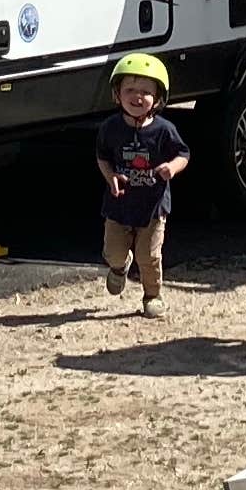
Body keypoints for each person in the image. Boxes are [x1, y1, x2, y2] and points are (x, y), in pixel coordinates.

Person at [94, 53, 188, 314]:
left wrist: (172, 168)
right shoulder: (110, 128)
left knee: (149, 256)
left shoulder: (164, 130)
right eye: (130, 90)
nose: (137, 97)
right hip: (118, 206)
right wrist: (110, 176)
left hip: (153, 208)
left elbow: (183, 154)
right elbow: (102, 157)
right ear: (117, 94)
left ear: (157, 98)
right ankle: (119, 267)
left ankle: (151, 296)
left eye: (146, 92)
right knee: (112, 252)